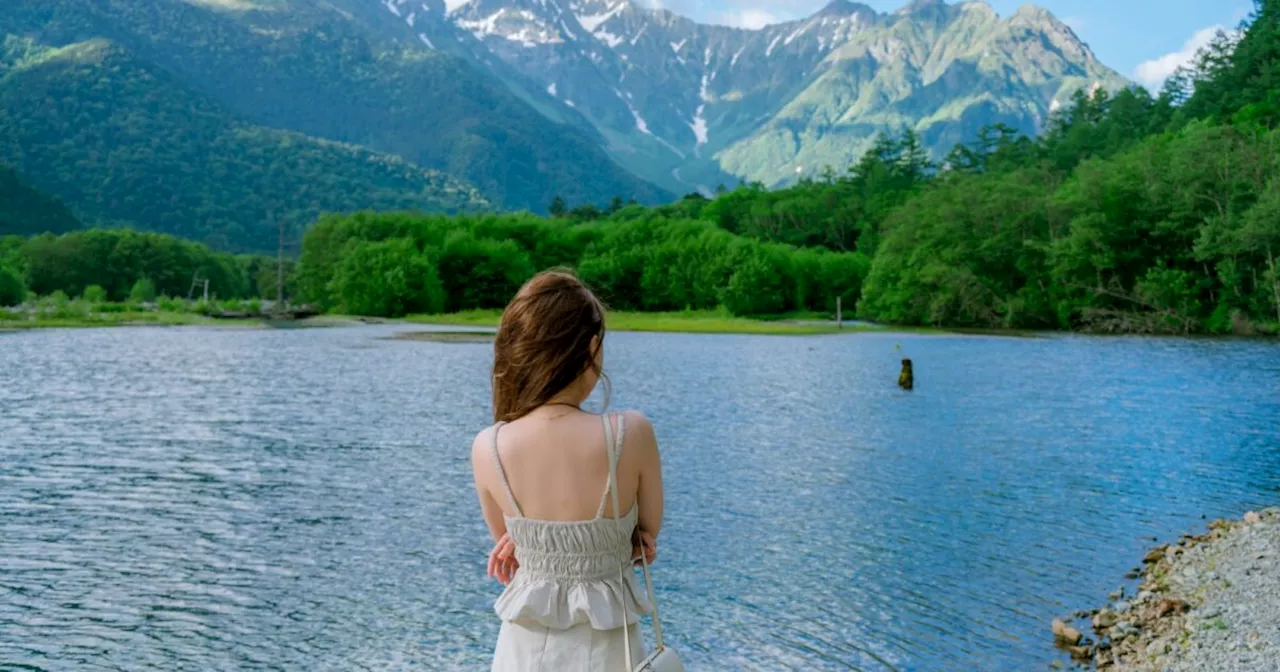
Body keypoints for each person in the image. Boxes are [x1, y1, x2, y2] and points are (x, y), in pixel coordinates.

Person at [471, 269, 665, 671]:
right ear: (593, 348)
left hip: (521, 652)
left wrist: (538, 545)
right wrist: (614, 542)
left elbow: (513, 550)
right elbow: (643, 537)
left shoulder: (488, 446)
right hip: (610, 650)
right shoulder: (631, 434)